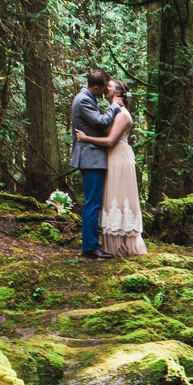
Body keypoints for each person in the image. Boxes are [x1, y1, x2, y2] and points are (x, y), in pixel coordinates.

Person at [73, 79, 146, 257]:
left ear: (119, 92)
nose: (107, 88)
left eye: (110, 86)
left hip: (119, 157)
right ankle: (103, 244)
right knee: (111, 199)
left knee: (120, 199)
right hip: (110, 157)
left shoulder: (121, 113)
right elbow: (101, 123)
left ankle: (124, 244)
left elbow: (110, 140)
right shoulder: (110, 110)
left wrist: (86, 138)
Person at [69, 70, 123, 260]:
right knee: (93, 203)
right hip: (90, 158)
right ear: (96, 87)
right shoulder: (83, 99)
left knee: (94, 202)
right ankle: (91, 247)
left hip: (93, 157)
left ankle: (91, 244)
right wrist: (115, 107)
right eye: (104, 88)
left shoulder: (86, 98)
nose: (105, 92)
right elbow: (100, 122)